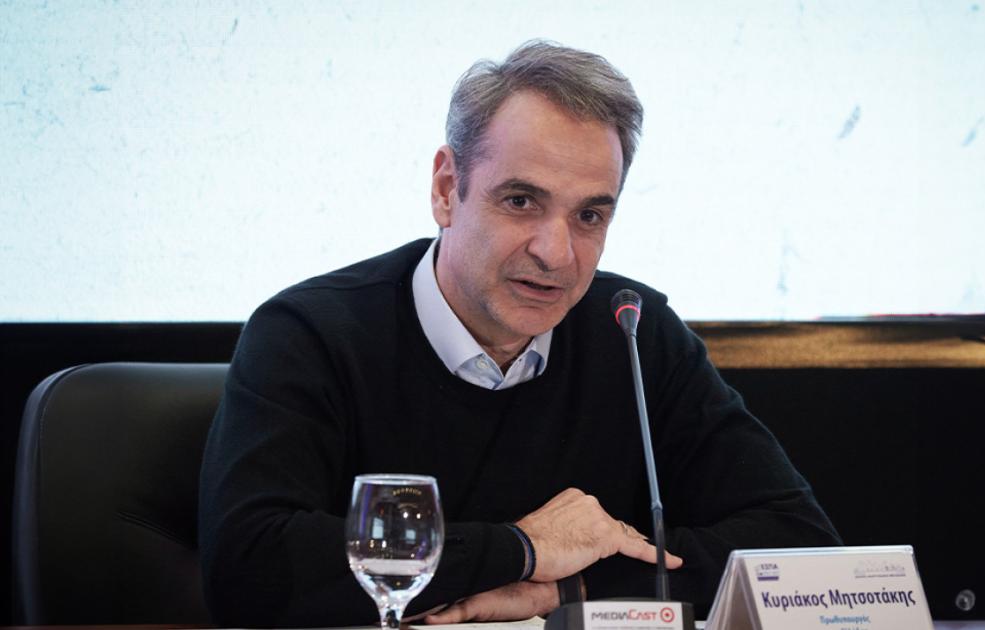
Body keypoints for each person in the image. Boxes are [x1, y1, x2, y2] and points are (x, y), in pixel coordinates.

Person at [198, 40, 840, 627]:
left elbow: (799, 546)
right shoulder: (310, 334)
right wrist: (523, 548)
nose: (556, 253)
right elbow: (247, 565)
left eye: (589, 215)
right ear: (447, 189)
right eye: (521, 201)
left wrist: (568, 587)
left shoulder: (632, 331)